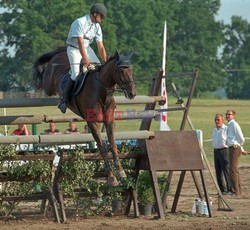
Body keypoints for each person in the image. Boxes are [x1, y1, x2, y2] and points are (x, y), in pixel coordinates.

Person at [58, 3, 107, 113]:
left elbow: (101, 46)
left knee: (99, 69)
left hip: (86, 48)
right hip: (74, 49)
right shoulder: (80, 22)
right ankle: (64, 100)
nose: (102, 19)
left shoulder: (97, 27)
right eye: (101, 16)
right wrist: (86, 60)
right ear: (95, 14)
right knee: (75, 74)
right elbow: (80, 43)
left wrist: (106, 62)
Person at [226, 110, 245, 196]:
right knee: (234, 170)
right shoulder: (229, 125)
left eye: (229, 114)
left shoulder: (234, 124)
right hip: (231, 148)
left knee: (233, 170)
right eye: (227, 114)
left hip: (234, 148)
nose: (228, 116)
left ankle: (235, 191)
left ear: (234, 116)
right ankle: (238, 190)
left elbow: (241, 138)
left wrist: (239, 146)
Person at [212, 114, 231, 195]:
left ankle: (230, 189)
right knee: (218, 171)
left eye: (218, 120)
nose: (217, 121)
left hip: (224, 150)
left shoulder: (226, 129)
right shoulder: (214, 130)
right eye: (215, 120)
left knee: (226, 170)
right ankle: (222, 189)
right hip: (216, 151)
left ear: (222, 120)